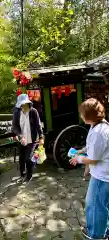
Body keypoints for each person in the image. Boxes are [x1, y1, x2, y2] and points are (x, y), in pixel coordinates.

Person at [70, 98, 109, 240]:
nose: (80, 115)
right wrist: (81, 151)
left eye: (82, 113)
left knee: (94, 205)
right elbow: (94, 148)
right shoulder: (99, 126)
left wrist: (77, 159)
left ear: (89, 116)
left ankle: (96, 235)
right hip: (103, 174)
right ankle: (105, 229)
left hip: (102, 176)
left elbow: (93, 159)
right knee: (104, 204)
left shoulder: (99, 132)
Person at [12, 94, 44, 183]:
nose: (24, 106)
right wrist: (20, 136)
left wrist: (41, 137)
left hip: (31, 139)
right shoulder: (16, 112)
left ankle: (29, 175)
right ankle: (22, 174)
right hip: (21, 139)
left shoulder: (33, 111)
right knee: (21, 158)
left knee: (28, 158)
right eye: (22, 105)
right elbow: (14, 126)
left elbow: (38, 125)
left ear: (28, 103)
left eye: (25, 104)